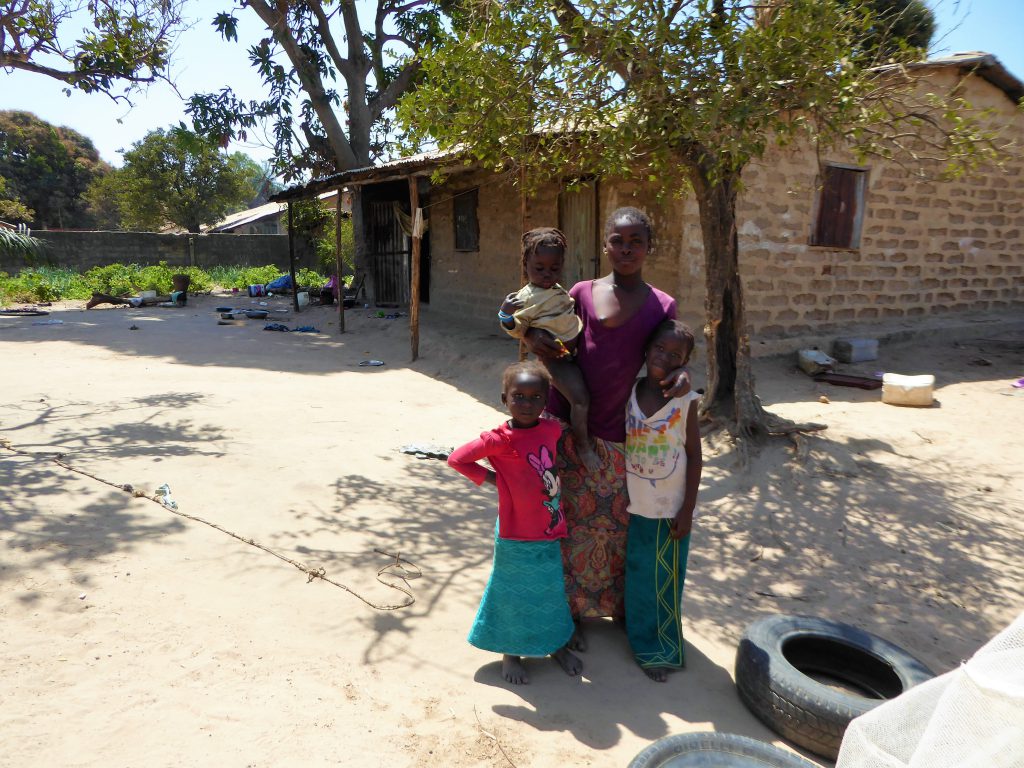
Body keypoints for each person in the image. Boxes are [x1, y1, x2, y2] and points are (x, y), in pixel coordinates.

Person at [522, 206, 690, 650]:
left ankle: (614, 609)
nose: (627, 248)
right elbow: (550, 334)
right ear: (605, 246)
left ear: (649, 247)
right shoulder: (580, 291)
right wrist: (530, 340)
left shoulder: (662, 305)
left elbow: (670, 354)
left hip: (618, 432)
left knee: (612, 529)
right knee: (566, 524)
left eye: (636, 241)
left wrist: (682, 377)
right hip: (564, 423)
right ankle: (568, 614)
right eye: (618, 240)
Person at [447, 361, 584, 685]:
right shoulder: (498, 439)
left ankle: (557, 646)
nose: (526, 403)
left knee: (550, 591)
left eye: (536, 397)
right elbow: (457, 458)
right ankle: (511, 654)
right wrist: (496, 481)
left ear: (546, 400)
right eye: (518, 396)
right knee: (512, 594)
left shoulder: (551, 429)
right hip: (514, 534)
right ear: (504, 398)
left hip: (549, 528)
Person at [624, 320, 702, 682]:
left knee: (667, 581)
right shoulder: (629, 391)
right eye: (659, 349)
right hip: (635, 503)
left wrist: (687, 509)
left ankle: (661, 650)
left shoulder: (685, 399)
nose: (664, 358)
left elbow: (695, 455)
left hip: (670, 508)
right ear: (645, 348)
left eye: (676, 356)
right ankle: (641, 638)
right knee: (640, 575)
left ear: (684, 363)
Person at [498, 227, 600, 473]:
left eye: (554, 268)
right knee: (581, 400)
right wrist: (506, 314)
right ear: (526, 265)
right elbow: (517, 328)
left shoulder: (556, 290)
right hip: (557, 360)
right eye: (539, 268)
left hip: (573, 355)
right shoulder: (525, 296)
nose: (546, 274)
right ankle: (584, 446)